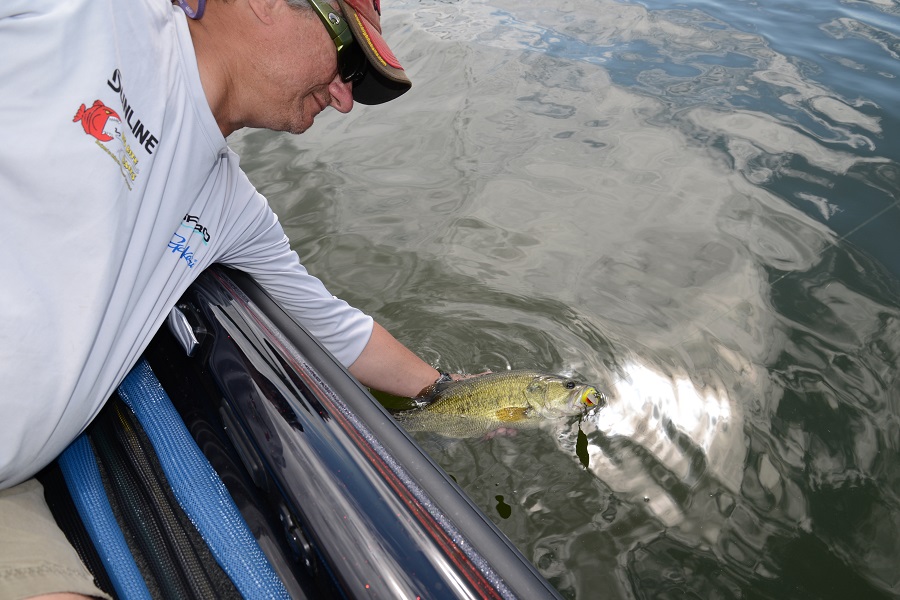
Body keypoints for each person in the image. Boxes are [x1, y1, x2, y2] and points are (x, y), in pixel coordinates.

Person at [0, 0, 452, 597]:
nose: (344, 98)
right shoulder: (92, 14)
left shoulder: (232, 209)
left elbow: (337, 330)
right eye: (347, 61)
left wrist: (454, 394)